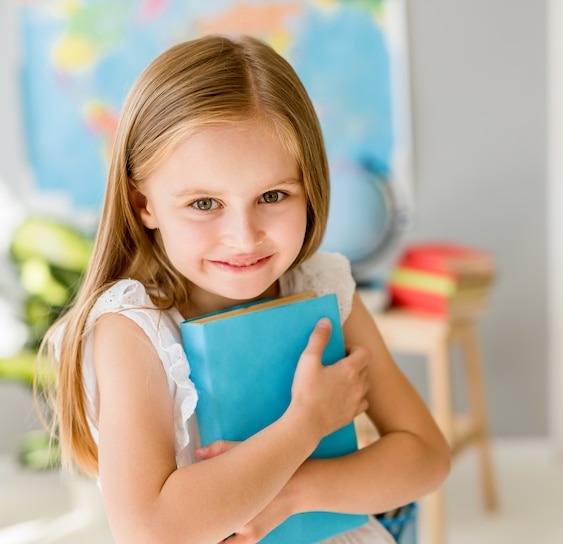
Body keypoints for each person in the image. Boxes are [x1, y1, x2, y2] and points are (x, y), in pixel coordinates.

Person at [40, 34, 450, 543]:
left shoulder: (321, 285)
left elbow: (427, 458)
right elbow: (150, 531)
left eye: (272, 195)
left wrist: (293, 492)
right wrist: (305, 424)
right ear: (144, 203)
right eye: (205, 204)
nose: (244, 236)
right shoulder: (132, 329)